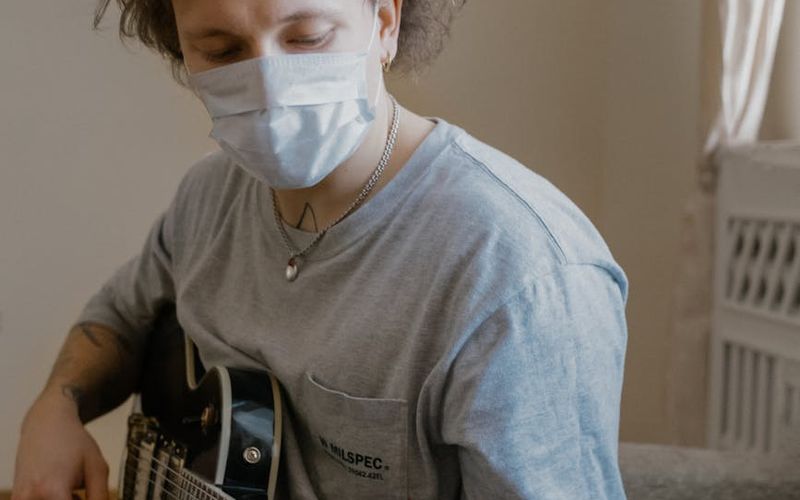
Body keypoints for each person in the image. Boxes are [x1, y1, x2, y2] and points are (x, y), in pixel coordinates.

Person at [12, 0, 630, 498]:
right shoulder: (208, 196)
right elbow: (121, 318)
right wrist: (54, 409)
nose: (267, 82)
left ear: (384, 23)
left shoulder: (519, 275)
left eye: (307, 38)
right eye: (221, 51)